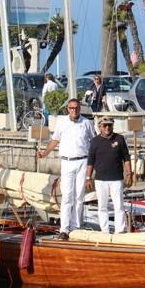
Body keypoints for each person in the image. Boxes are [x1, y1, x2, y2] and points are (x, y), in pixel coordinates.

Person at [38, 99, 96, 239]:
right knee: (67, 196)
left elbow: (94, 142)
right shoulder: (61, 122)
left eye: (76, 108)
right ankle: (64, 228)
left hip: (82, 160)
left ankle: (76, 226)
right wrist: (45, 153)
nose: (74, 110)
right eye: (71, 108)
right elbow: (55, 140)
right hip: (67, 162)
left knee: (79, 196)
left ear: (80, 108)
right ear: (67, 109)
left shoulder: (87, 123)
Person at [85, 117, 132, 234]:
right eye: (105, 125)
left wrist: (129, 174)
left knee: (119, 206)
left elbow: (126, 157)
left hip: (116, 178)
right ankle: (105, 230)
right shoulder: (95, 141)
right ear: (100, 126)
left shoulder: (119, 139)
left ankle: (119, 230)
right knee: (102, 206)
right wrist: (88, 178)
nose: (107, 127)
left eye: (109, 125)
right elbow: (90, 161)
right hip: (100, 179)